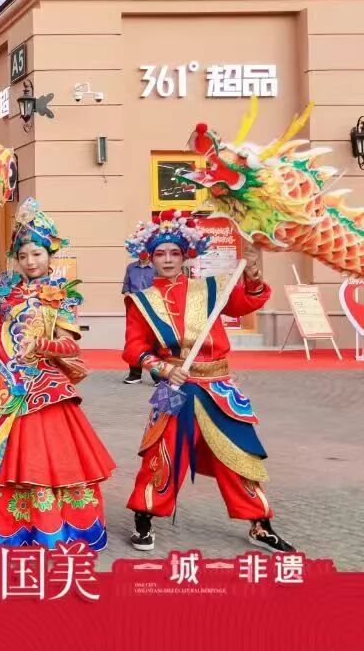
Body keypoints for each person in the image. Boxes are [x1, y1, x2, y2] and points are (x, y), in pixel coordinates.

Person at [0, 199, 115, 550]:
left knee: (36, 455)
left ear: (50, 254)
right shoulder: (5, 289)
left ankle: (40, 523)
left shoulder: (62, 295)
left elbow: (70, 346)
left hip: (38, 385)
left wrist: (41, 344)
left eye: (37, 254)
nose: (31, 261)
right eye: (23, 256)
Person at [122, 212, 294, 553]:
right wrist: (163, 368)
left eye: (174, 252)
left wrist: (253, 272)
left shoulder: (211, 288)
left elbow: (246, 302)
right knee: (162, 452)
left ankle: (259, 523)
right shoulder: (142, 301)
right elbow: (134, 349)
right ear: (149, 258)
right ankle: (145, 514)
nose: (168, 259)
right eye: (160, 253)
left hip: (218, 386)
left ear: (185, 255)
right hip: (174, 386)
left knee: (239, 453)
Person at [120, 255, 156, 384]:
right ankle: (135, 375)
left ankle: (157, 376)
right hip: (134, 309)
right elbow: (126, 286)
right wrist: (129, 296)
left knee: (153, 341)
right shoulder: (131, 267)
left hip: (152, 309)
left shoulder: (156, 268)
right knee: (133, 340)